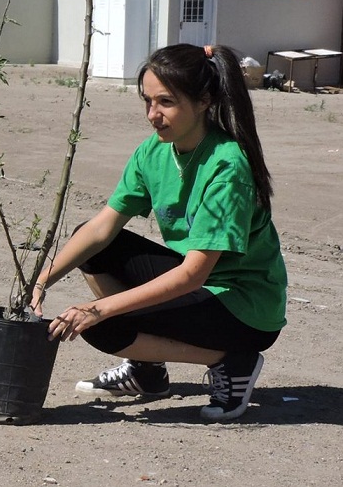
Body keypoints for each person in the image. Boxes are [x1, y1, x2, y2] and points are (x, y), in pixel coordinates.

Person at [33, 43, 287, 422]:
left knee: (106, 328)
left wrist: (98, 309)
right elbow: (103, 227)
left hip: (244, 309)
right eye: (147, 101)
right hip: (200, 286)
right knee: (93, 242)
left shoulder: (228, 166)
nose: (153, 115)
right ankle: (148, 371)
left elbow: (193, 274)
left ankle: (235, 362)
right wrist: (40, 282)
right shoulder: (153, 152)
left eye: (166, 102)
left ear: (204, 100)